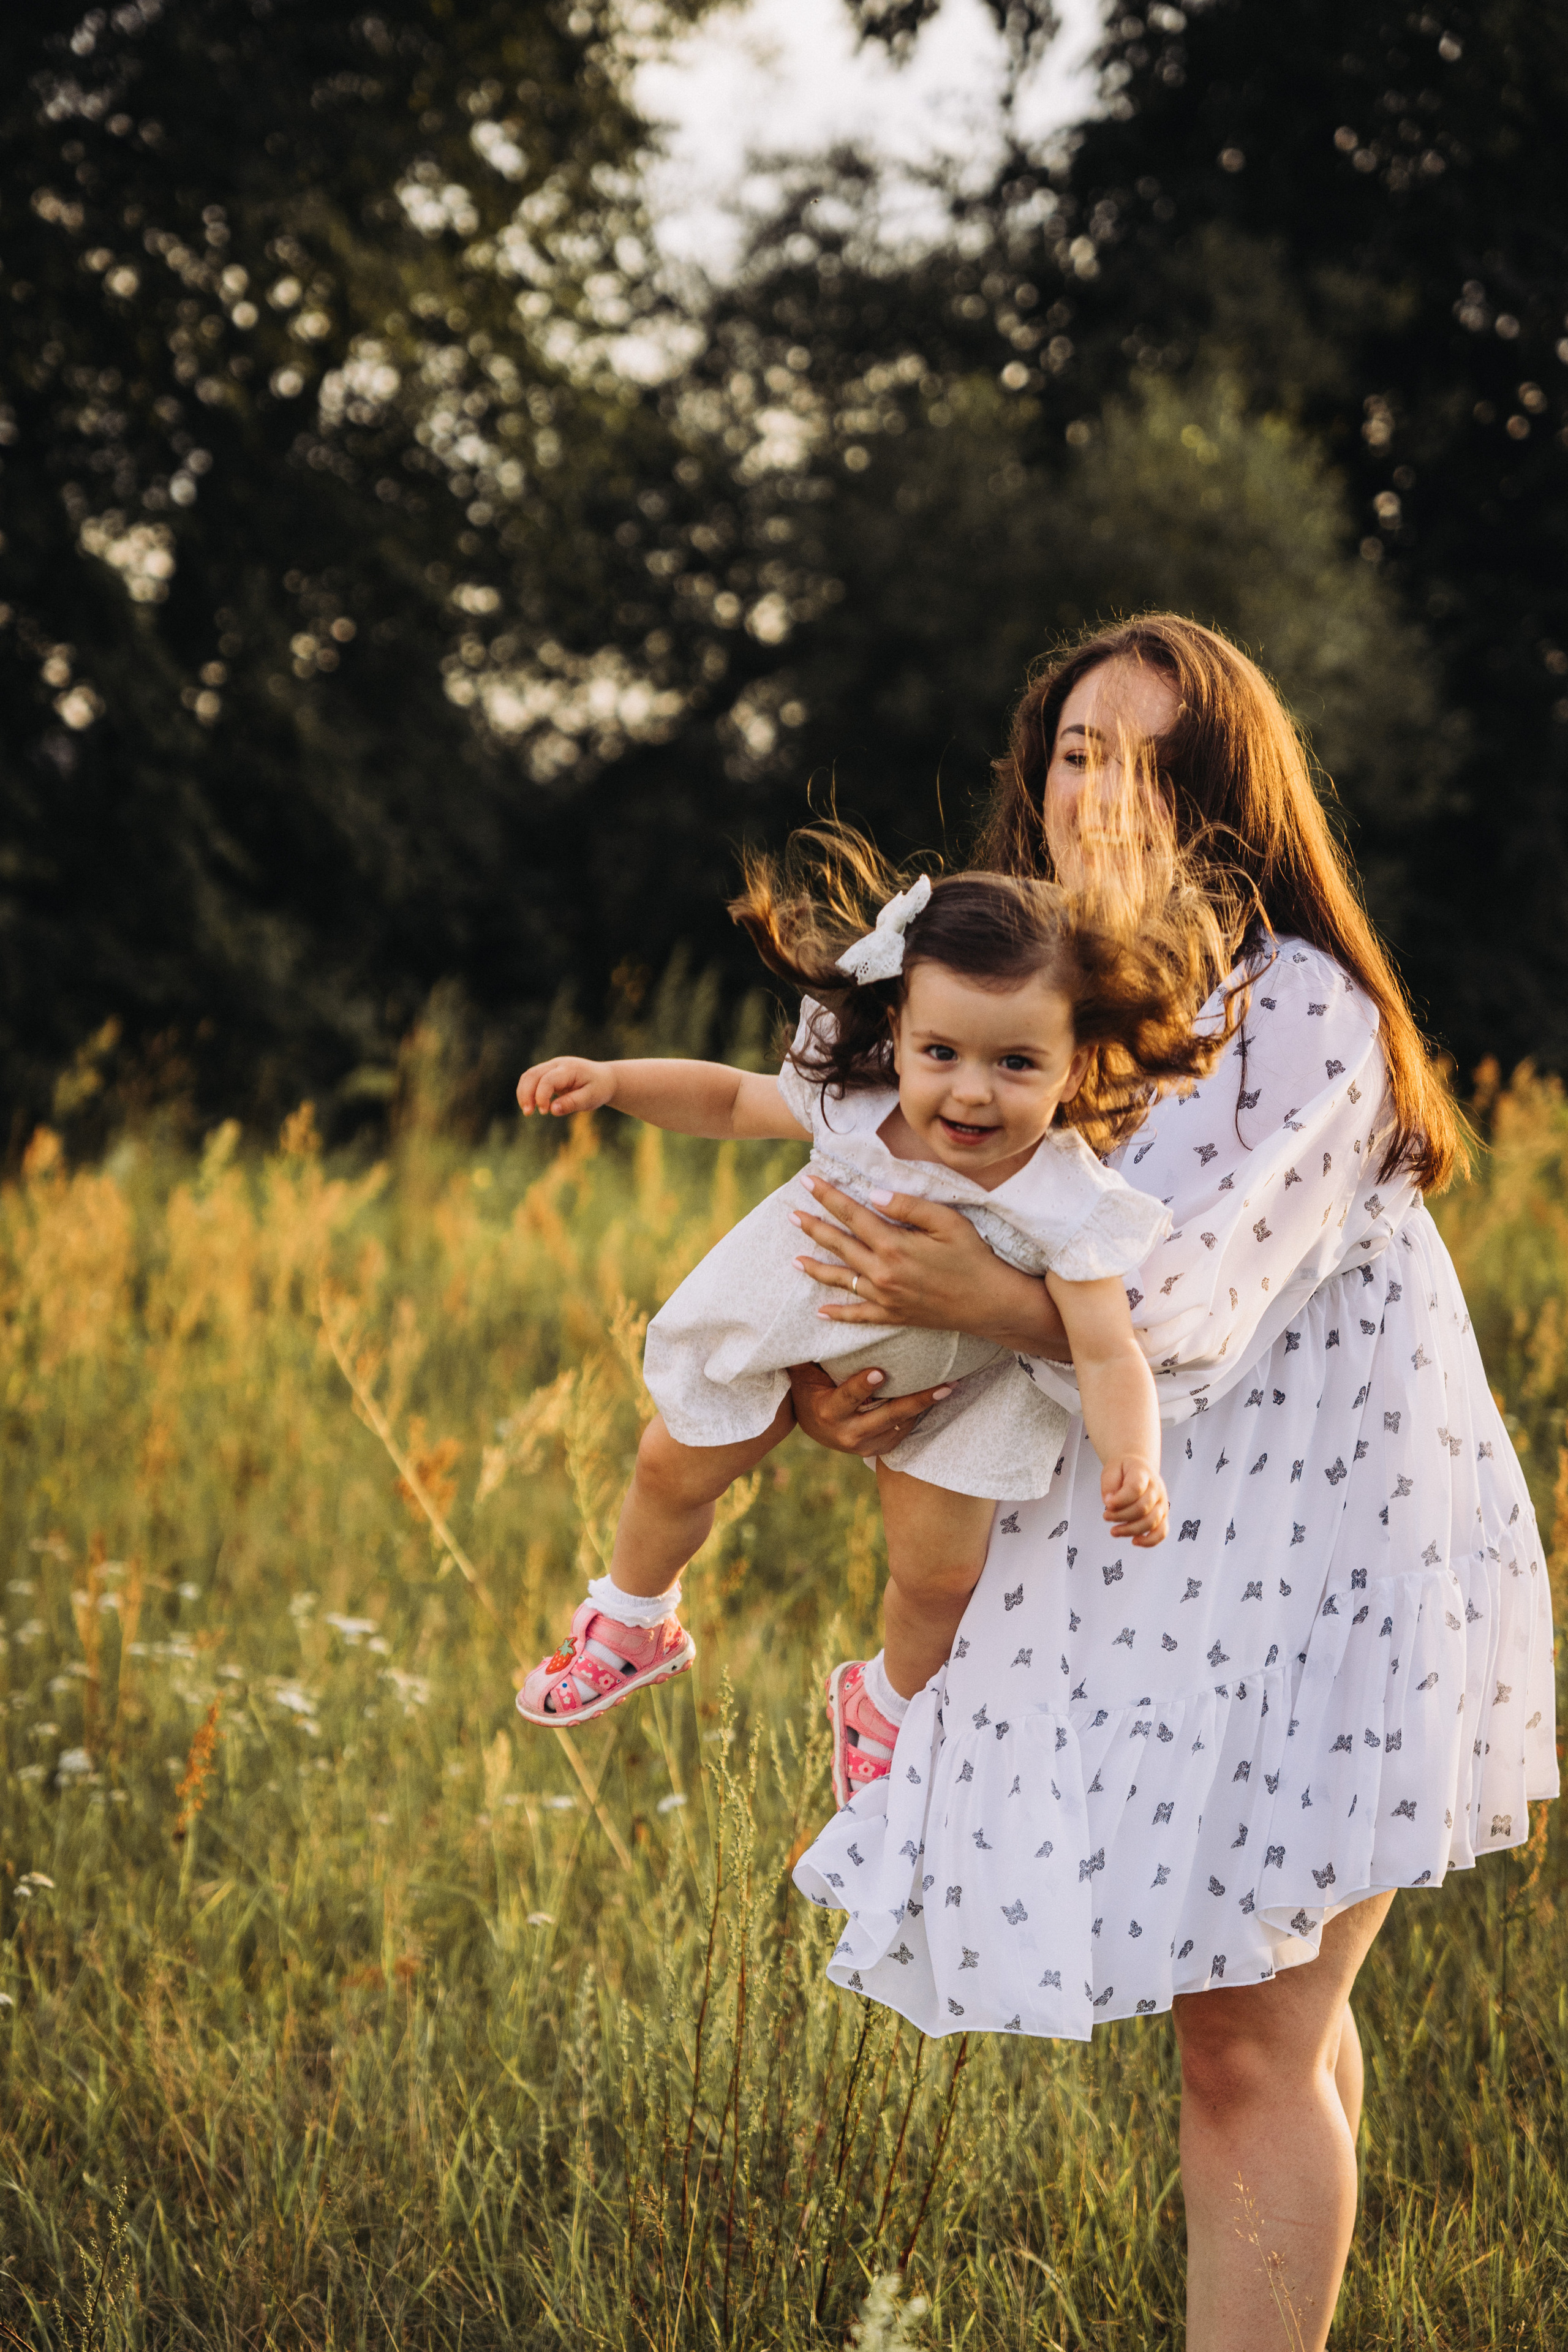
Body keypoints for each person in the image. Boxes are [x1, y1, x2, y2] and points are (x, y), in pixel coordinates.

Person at [786, 616, 1558, 2352]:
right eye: (1073, 748)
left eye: (1147, 758)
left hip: (1342, 1562)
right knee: (1260, 2018)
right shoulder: (1026, 1003)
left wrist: (956, 1300)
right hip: (1173, 1567)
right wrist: (863, 1393)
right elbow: (956, 1251)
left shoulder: (1305, 1012)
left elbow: (1187, 1304)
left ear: (1227, 796)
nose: (1099, 787)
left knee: (1242, 2048)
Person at [512, 833, 1238, 1770]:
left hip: (958, 1398)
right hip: (790, 1332)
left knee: (940, 1578)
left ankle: (884, 1707)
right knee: (671, 1461)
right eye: (941, 1052)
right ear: (896, 1035)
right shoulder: (855, 1103)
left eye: (1017, 1064)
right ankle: (633, 1618)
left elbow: (1106, 1351)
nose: (972, 1092)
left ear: (1075, 1061)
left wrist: (1135, 1460)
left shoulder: (1067, 1200)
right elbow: (733, 1104)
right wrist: (614, 1083)